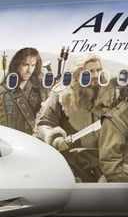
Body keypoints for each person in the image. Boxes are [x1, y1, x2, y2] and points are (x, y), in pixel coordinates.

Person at [34, 54, 116, 182]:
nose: (95, 75)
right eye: (90, 71)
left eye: (98, 70)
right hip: (74, 161)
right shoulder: (61, 95)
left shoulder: (111, 95)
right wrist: (56, 139)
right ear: (79, 74)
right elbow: (43, 123)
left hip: (105, 159)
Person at [0, 47, 48, 134]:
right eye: (25, 65)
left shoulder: (41, 92)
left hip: (31, 142)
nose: (29, 70)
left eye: (33, 65)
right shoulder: (2, 91)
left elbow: (46, 121)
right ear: (16, 65)